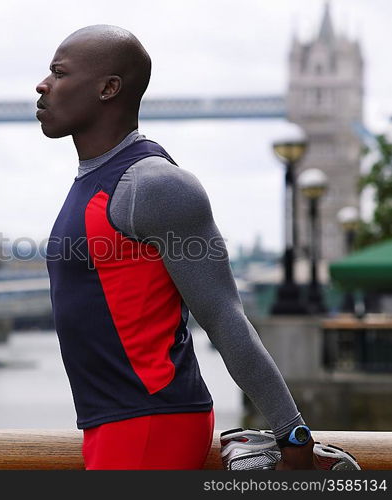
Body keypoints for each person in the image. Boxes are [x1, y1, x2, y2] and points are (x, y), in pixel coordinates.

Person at [36, 24, 317, 470]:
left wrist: (292, 433)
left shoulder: (155, 186)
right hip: (112, 424)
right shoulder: (91, 180)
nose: (42, 84)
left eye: (59, 73)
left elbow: (224, 315)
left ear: (109, 88)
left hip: (151, 424)